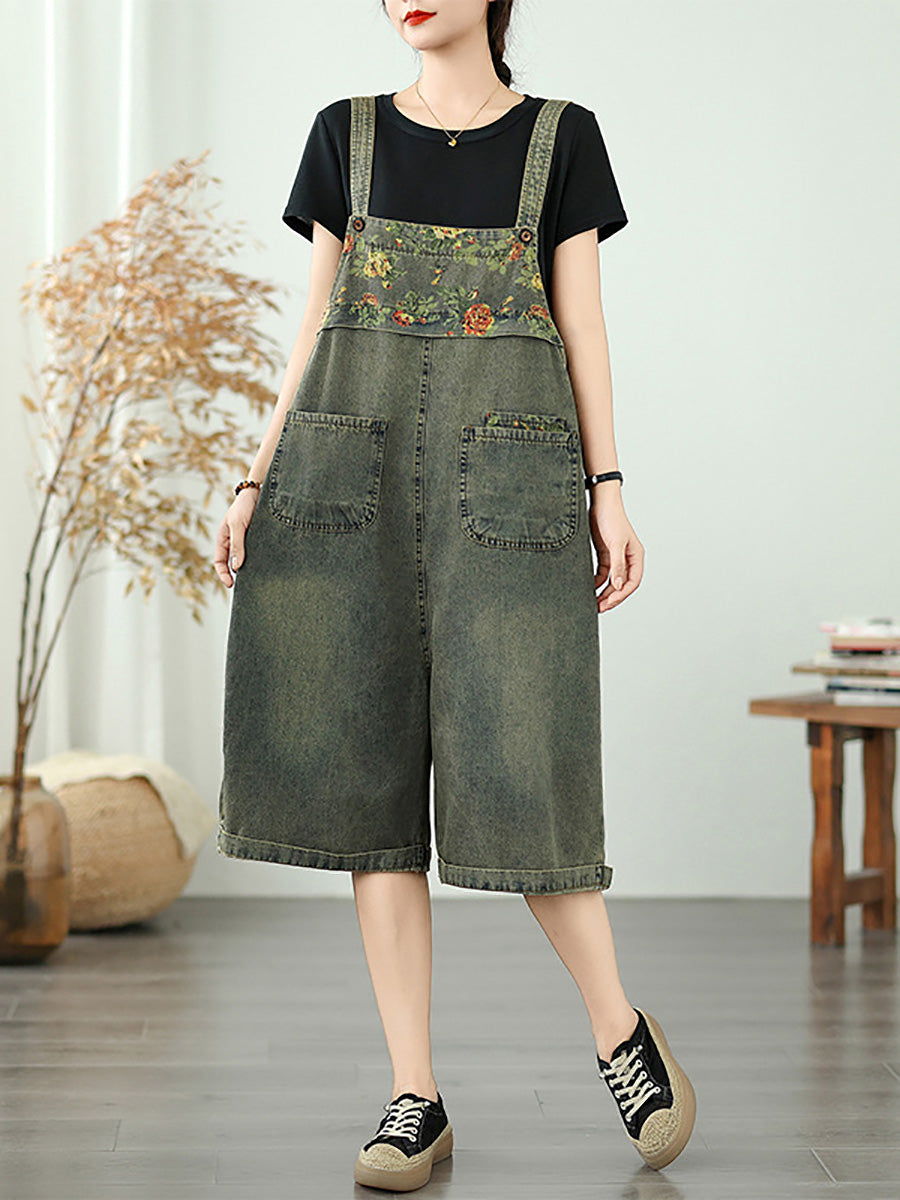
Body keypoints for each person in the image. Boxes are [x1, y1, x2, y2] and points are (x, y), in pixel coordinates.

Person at [213, 0, 696, 1190]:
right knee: (372, 795)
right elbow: (313, 326)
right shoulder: (344, 134)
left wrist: (610, 489)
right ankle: (413, 1096)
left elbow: (585, 328)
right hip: (348, 483)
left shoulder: (563, 138)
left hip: (513, 490)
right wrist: (254, 478)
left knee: (526, 772)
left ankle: (619, 1033)